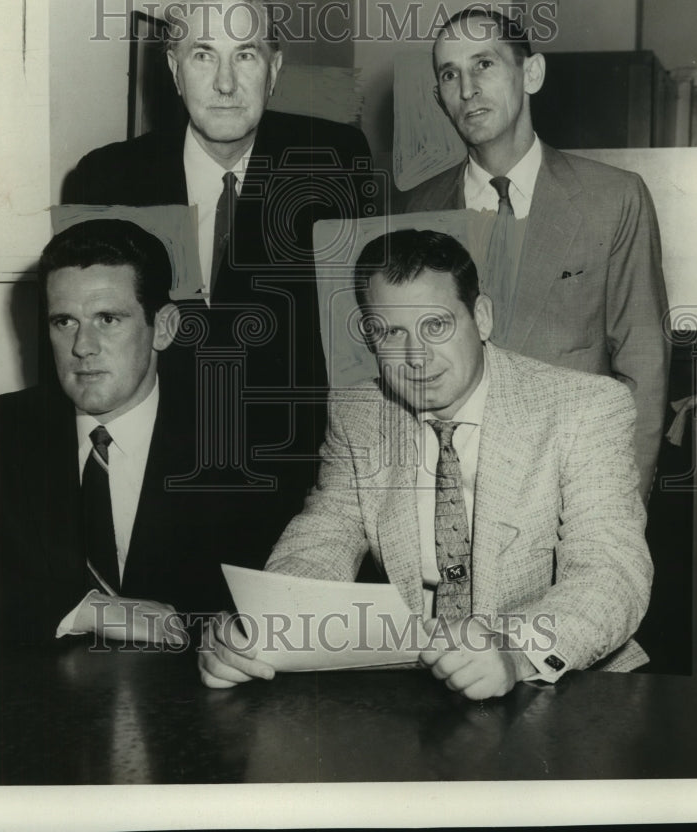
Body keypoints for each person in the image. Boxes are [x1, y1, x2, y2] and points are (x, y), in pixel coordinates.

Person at [198, 229, 653, 700]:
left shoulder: (584, 406)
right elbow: (323, 538)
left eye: (436, 326)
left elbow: (611, 571)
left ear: (481, 317)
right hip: (420, 685)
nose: (416, 358)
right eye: (392, 333)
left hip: (568, 681)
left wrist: (515, 652)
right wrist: (265, 625)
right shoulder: (359, 412)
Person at [62, 0, 381, 556]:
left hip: (300, 494)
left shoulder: (336, 162)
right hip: (156, 497)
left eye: (246, 56)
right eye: (204, 55)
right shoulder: (108, 179)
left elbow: (362, 342)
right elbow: (82, 352)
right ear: (174, 68)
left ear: (275, 69)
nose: (227, 83)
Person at [0, 219, 252, 645]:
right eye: (64, 322)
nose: (83, 346)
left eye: (108, 319)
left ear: (163, 327)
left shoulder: (236, 437)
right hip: (42, 702)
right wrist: (88, 609)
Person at [394, 7, 669, 499]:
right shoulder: (415, 210)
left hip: (574, 491)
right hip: (451, 492)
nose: (467, 89)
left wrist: (620, 511)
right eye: (449, 74)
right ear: (439, 98)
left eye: (484, 64)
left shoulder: (614, 198)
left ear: (532, 73)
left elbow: (643, 370)